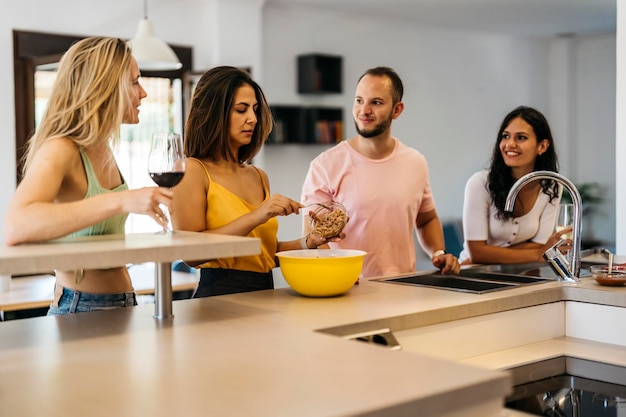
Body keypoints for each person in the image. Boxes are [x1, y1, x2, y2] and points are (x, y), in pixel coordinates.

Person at [3, 37, 173, 315]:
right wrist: (122, 201)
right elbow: (16, 226)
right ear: (103, 87)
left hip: (123, 303)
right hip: (81, 308)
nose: (143, 93)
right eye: (133, 82)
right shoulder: (62, 147)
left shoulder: (102, 145)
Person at [171, 66, 330, 297]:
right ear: (214, 113)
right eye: (241, 110)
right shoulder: (192, 170)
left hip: (265, 296)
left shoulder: (258, 176)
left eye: (255, 110)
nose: (253, 119)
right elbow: (192, 254)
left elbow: (262, 254)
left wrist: (308, 242)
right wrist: (258, 214)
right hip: (217, 301)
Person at [300, 66, 460, 279]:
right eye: (359, 100)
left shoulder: (416, 162)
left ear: (397, 110)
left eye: (376, 103)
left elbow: (426, 218)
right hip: (346, 290)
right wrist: (338, 276)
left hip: (404, 287)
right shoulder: (325, 166)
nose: (364, 110)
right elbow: (313, 237)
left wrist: (439, 252)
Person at [458, 105, 568, 265]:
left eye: (521, 137)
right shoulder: (480, 183)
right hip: (472, 273)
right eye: (505, 136)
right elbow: (477, 252)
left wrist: (488, 254)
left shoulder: (552, 186)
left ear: (542, 146)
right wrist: (537, 253)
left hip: (519, 273)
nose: (510, 144)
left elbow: (540, 244)